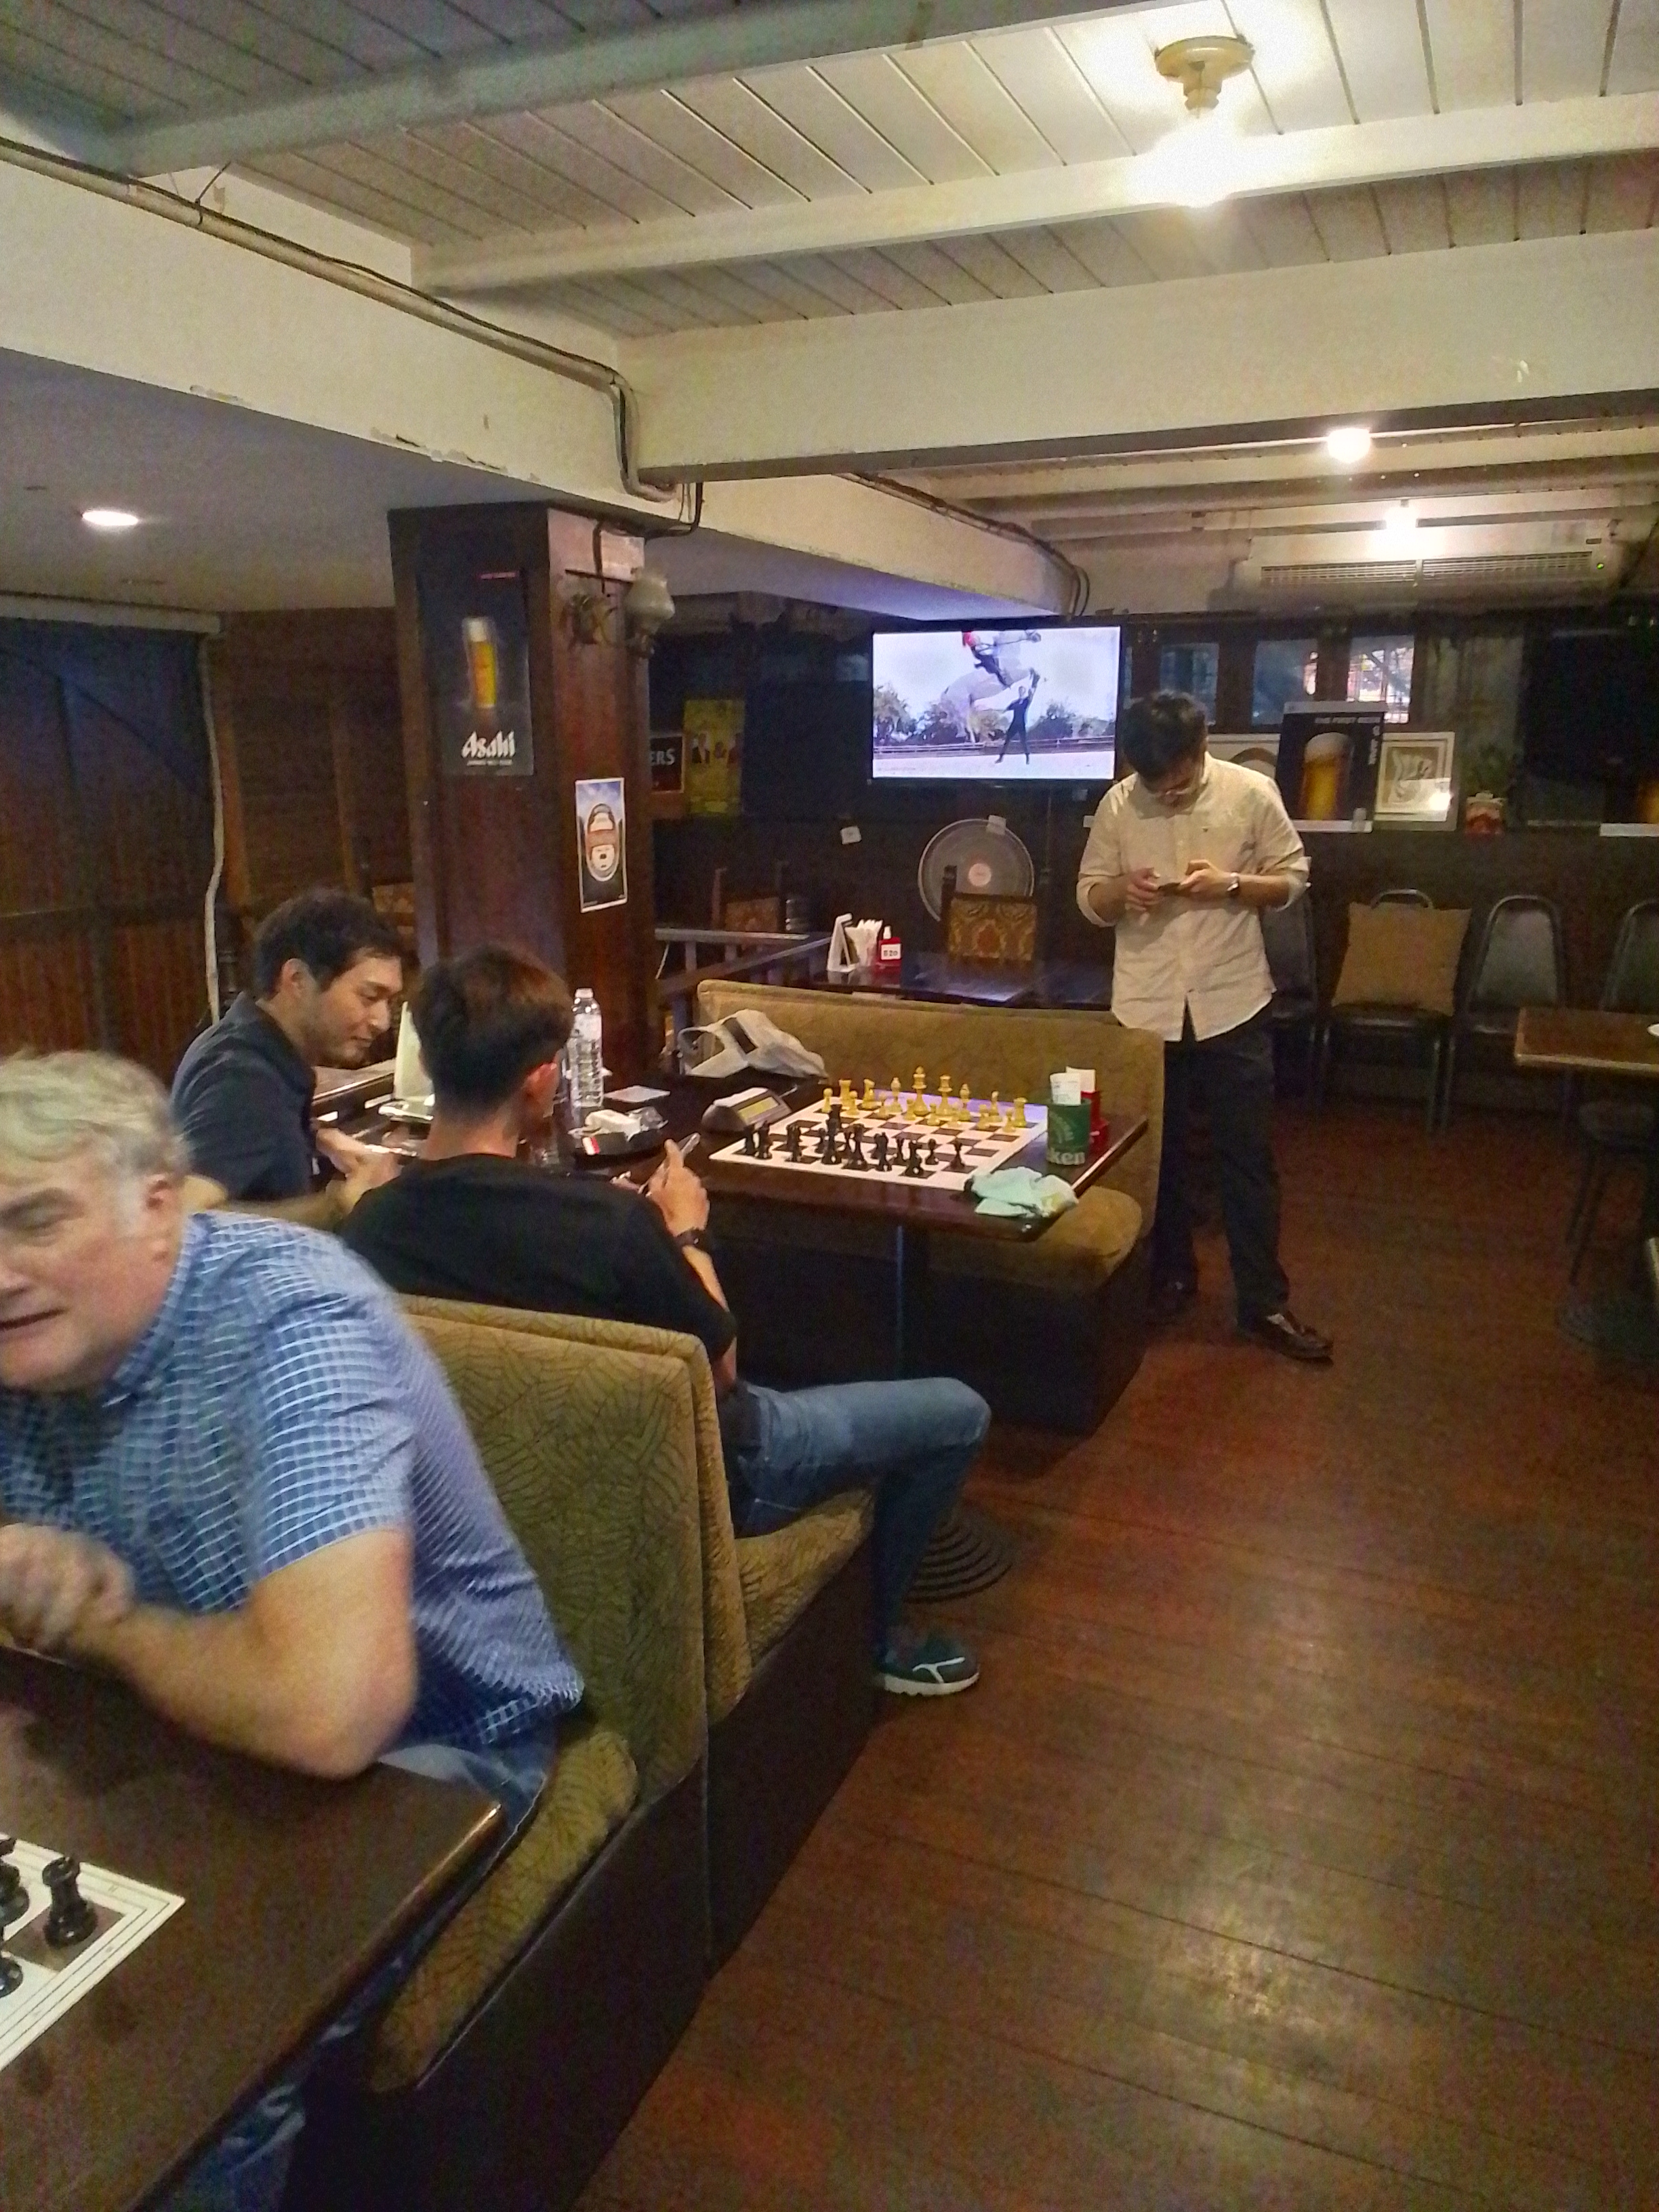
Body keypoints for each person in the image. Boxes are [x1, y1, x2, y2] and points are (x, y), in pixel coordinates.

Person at [0, 1050, 583, 2211]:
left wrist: (101, 1627)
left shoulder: (291, 1316)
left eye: (37, 1219)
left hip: (442, 1748)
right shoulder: (38, 1336)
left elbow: (331, 1714)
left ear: (158, 1208)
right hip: (175, 1743)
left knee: (194, 2059)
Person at [342, 945, 990, 1697]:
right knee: (959, 1412)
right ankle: (875, 1641)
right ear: (543, 1079)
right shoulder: (613, 1226)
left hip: (496, 1492)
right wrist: (684, 1231)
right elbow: (722, 1372)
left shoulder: (368, 1230)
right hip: (709, 1477)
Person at [1077, 691, 1332, 1363]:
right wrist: (1121, 894)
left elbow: (1294, 878)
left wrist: (1231, 884)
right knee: (1157, 1161)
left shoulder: (1250, 792)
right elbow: (1090, 896)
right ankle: (1171, 1278)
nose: (1165, 794)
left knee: (1246, 1159)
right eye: (1152, 784)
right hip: (1147, 1007)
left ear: (1201, 748)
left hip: (1233, 1001)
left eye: (1178, 780)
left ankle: (1264, 1304)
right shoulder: (1118, 805)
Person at [171, 886, 405, 1204]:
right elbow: (185, 1217)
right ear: (297, 979)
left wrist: (316, 1137)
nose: (382, 1021)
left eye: (388, 1002)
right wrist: (337, 1205)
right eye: (369, 997)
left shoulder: (253, 1047)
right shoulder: (243, 1079)